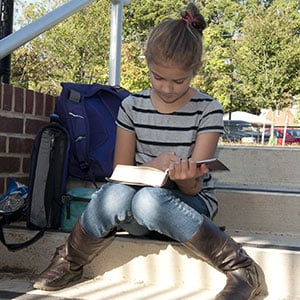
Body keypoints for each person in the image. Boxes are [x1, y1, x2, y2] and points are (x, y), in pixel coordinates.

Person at [33, 3, 267, 299]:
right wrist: (154, 166)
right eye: (158, 77)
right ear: (147, 65)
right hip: (138, 207)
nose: (167, 88)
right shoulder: (131, 106)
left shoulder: (208, 108)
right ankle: (69, 260)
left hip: (186, 206)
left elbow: (195, 188)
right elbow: (119, 174)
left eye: (179, 81)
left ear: (194, 71)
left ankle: (242, 269)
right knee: (120, 196)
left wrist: (183, 178)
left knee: (148, 201)